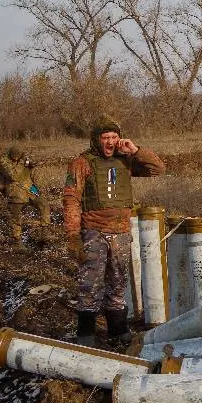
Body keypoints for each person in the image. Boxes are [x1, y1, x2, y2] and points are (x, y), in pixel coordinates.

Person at [62, 115, 165, 347]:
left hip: (120, 232)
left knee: (118, 283)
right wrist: (72, 236)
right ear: (96, 140)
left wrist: (135, 150)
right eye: (105, 137)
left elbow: (157, 168)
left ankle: (118, 331)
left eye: (114, 137)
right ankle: (86, 334)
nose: (110, 142)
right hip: (93, 232)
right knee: (90, 283)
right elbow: (71, 199)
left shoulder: (126, 160)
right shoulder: (82, 163)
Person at [0, 145, 51, 245]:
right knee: (16, 218)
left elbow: (29, 172)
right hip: (15, 191)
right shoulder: (4, 163)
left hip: (30, 189)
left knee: (44, 204)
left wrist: (31, 165)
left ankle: (45, 231)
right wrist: (22, 163)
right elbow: (14, 176)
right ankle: (18, 241)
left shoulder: (23, 160)